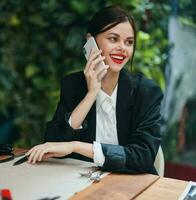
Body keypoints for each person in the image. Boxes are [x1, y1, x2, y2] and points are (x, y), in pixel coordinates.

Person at [25, 5, 163, 175]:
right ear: (91, 41)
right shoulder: (73, 85)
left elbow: (143, 157)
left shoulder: (146, 91)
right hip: (84, 183)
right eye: (113, 39)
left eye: (129, 42)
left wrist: (76, 146)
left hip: (133, 183)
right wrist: (90, 95)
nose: (122, 48)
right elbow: (53, 146)